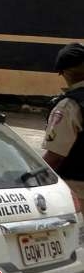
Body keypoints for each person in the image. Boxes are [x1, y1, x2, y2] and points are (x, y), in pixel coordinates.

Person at [43, 43, 84, 208]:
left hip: (76, 189)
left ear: (64, 72)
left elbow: (55, 157)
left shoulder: (68, 106)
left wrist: (31, 178)